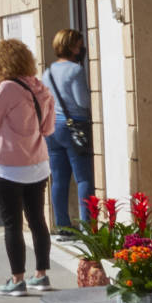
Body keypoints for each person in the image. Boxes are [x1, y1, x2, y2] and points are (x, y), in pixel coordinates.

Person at [0, 38, 57, 296]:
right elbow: (47, 129)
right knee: (37, 219)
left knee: (12, 223)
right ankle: (42, 275)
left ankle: (17, 280)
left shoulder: (6, 89)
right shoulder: (40, 88)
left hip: (8, 167)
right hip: (37, 163)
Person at [42, 28, 95, 226]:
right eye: (80, 45)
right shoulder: (75, 70)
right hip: (75, 127)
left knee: (59, 180)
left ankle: (62, 225)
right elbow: (82, 102)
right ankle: (86, 227)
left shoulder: (47, 72)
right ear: (73, 47)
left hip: (53, 127)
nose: (82, 49)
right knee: (83, 179)